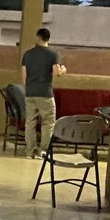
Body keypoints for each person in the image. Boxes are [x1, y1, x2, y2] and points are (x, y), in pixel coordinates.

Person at [21, 26, 68, 158]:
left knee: (30, 122)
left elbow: (24, 75)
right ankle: (43, 151)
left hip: (30, 92)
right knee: (48, 122)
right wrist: (63, 69)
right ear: (48, 38)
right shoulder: (54, 54)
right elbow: (56, 72)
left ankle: (29, 152)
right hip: (45, 93)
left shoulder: (28, 54)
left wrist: (28, 88)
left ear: (37, 37)